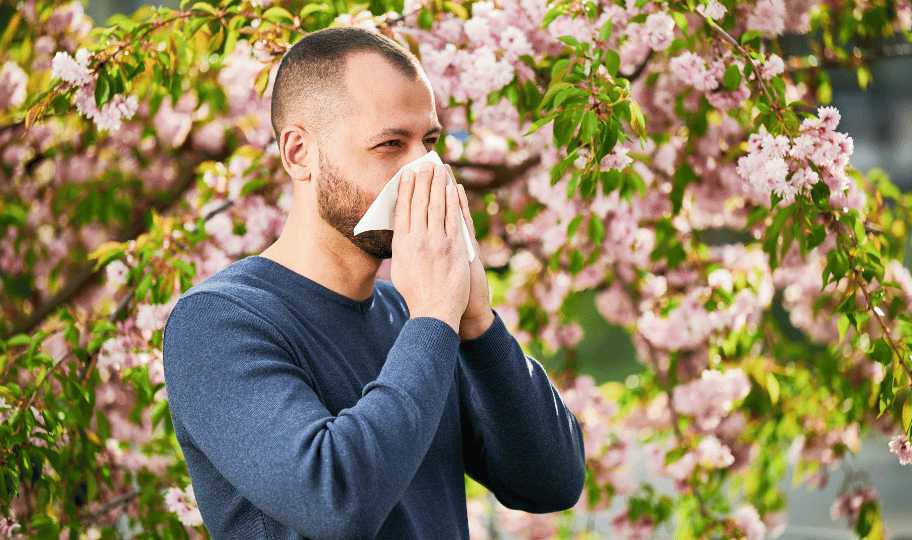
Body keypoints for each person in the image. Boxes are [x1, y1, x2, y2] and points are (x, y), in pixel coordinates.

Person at [162, 26, 586, 539]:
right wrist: (432, 318)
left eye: (429, 142)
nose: (422, 170)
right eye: (390, 144)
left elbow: (552, 483)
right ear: (299, 154)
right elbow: (335, 500)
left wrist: (475, 319)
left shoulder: (414, 315)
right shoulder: (219, 322)